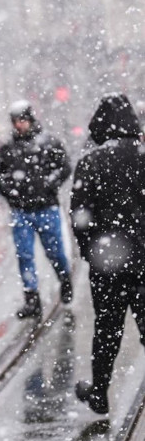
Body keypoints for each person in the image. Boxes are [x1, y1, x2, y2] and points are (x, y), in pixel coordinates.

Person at [70, 93, 145, 415]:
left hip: (108, 264)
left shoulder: (91, 161)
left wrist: (92, 252)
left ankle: (100, 391)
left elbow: (79, 216)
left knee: (108, 329)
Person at [0, 100, 72, 319]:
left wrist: (49, 185)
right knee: (24, 255)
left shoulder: (48, 143)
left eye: (22, 120)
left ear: (30, 119)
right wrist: (11, 193)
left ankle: (64, 278)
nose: (19, 125)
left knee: (54, 251)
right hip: (21, 211)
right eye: (16, 121)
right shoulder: (8, 149)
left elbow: (64, 167)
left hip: (46, 208)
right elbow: (0, 174)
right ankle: (32, 299)